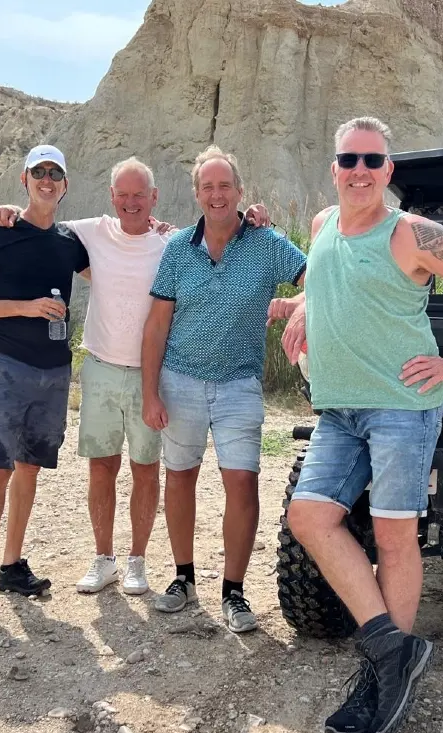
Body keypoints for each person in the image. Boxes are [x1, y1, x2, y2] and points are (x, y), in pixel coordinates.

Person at [271, 117, 443, 733]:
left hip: (401, 407)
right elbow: (336, 281)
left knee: (392, 535)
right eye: (348, 160)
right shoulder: (323, 225)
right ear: (334, 169)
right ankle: (392, 650)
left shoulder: (410, 233)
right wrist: (302, 308)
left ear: (389, 171)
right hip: (340, 409)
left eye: (372, 160)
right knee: (309, 517)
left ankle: (384, 672)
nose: (359, 171)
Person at [0, 160, 273, 598]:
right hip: (100, 365)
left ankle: (138, 561)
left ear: (155, 198)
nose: (132, 203)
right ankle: (104, 559)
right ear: (111, 196)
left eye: (141, 195)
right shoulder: (86, 232)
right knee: (101, 468)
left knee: (146, 468)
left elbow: (219, 231)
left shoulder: (173, 242)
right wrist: (5, 210)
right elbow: (40, 219)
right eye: (124, 194)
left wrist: (254, 219)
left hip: (151, 372)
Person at [141, 145, 306, 633]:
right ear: (197, 194)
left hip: (239, 383)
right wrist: (150, 393)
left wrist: (300, 304)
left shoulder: (265, 241)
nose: (217, 194)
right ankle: (183, 578)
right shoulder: (177, 250)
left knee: (242, 483)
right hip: (180, 379)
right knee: (181, 477)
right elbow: (156, 327)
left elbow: (318, 274)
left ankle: (233, 591)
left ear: (239, 191)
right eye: (207, 187)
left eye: (224, 186)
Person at [0, 144, 89, 620]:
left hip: (54, 371)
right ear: (24, 180)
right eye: (38, 172)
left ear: (65, 185)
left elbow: (117, 261)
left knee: (29, 467)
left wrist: (155, 232)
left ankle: (12, 565)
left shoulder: (70, 242)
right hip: (7, 365)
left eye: (55, 173)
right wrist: (25, 307)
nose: (47, 180)